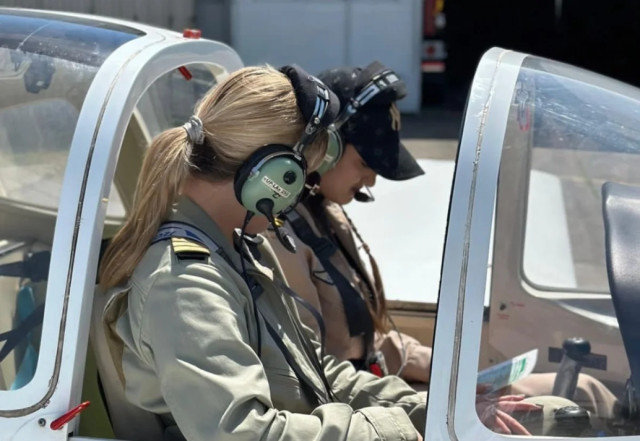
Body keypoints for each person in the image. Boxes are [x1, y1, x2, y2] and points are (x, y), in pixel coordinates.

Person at [96, 64, 538, 441]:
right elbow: (244, 434)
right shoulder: (185, 281)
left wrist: (435, 408)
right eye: (300, 175)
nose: (300, 193)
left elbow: (316, 370)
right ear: (275, 176)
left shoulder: (240, 248)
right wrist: (393, 429)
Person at [264, 61, 619, 421]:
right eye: (365, 163)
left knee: (586, 389)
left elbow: (372, 342)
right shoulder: (281, 239)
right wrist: (441, 400)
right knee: (557, 410)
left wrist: (459, 372)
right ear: (327, 148)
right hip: (360, 408)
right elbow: (314, 373)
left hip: (382, 387)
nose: (370, 181)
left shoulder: (326, 216)